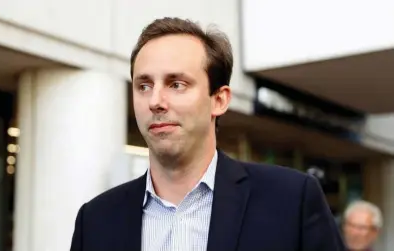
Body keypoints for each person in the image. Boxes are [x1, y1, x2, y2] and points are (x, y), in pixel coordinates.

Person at [70, 17, 346, 251]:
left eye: (176, 84)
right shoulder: (95, 220)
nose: (155, 100)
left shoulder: (290, 200)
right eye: (143, 85)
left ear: (219, 100)